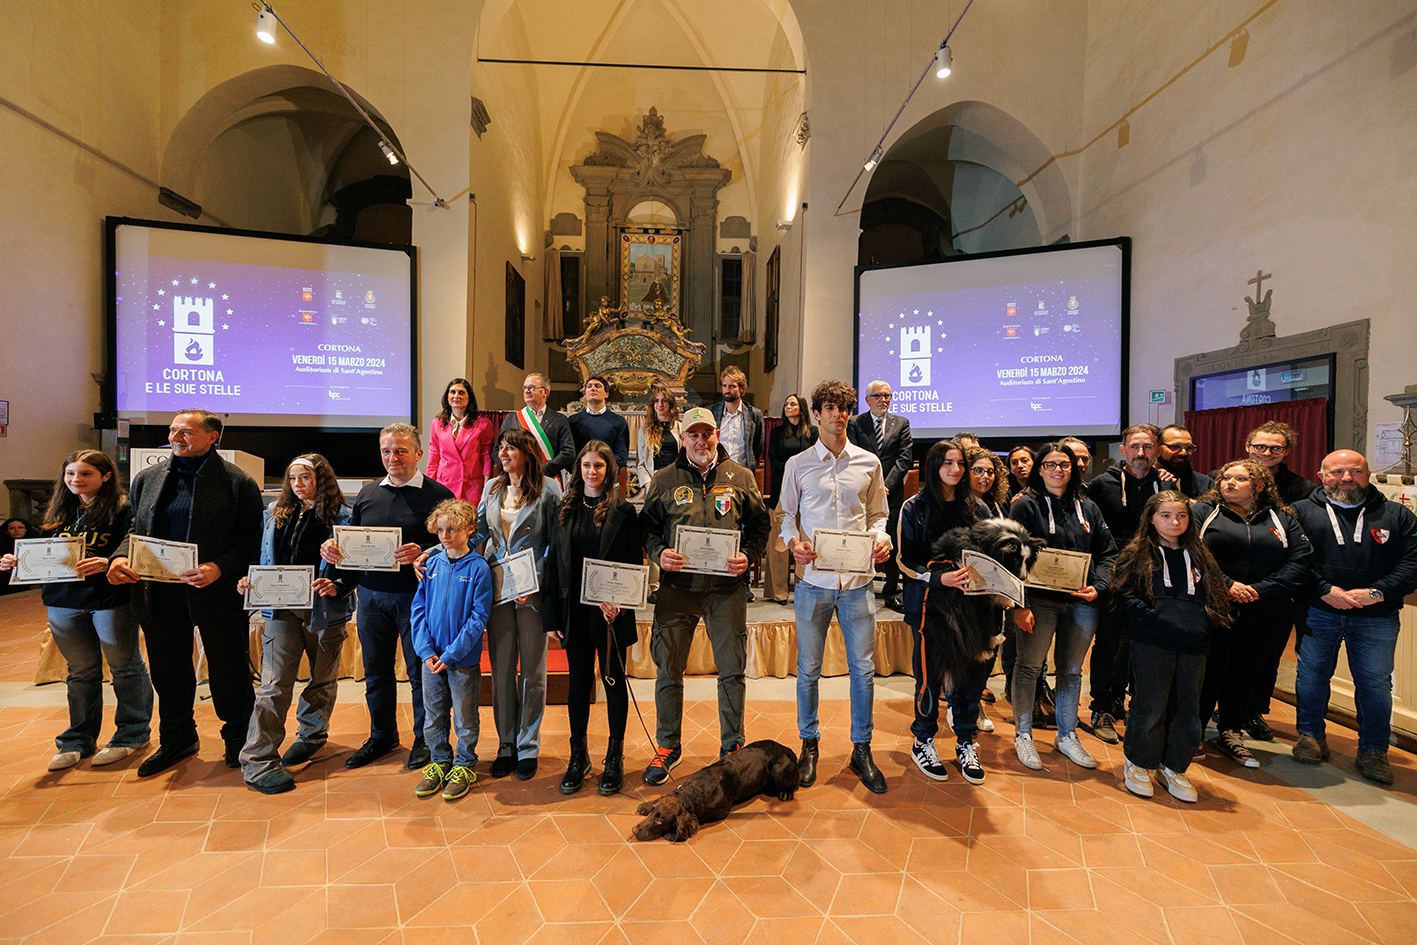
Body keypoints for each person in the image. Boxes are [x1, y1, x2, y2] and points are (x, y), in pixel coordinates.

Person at [108, 409, 263, 776]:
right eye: (174, 430)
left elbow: (252, 540)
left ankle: (239, 740)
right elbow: (135, 531)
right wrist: (118, 559)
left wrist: (220, 567)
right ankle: (177, 739)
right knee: (168, 671)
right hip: (158, 592)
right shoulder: (147, 479)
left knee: (229, 671)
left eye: (187, 432)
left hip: (216, 592)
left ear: (213, 437)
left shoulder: (237, 482)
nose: (177, 437)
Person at [639, 406, 770, 784]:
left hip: (726, 590)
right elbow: (646, 527)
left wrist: (750, 555)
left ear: (717, 436)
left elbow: (761, 523)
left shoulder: (740, 476)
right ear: (683, 439)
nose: (701, 441)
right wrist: (658, 553)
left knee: (731, 670)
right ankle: (668, 746)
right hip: (678, 590)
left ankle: (732, 746)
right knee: (669, 670)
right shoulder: (665, 479)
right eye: (693, 435)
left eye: (707, 434)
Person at [1, 450, 152, 770]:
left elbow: (136, 542)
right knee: (81, 672)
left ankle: (132, 733)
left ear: (106, 476)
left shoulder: (124, 508)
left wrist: (109, 560)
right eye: (70, 474)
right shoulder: (58, 508)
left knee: (125, 667)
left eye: (85, 474)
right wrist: (15, 561)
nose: (76, 480)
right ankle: (78, 739)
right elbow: (39, 551)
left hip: (110, 599)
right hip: (62, 601)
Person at [780, 380, 893, 793]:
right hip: (814, 582)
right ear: (817, 414)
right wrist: (794, 542)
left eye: (843, 408)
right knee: (808, 670)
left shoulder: (868, 462)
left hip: (858, 582)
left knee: (862, 671)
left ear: (849, 413)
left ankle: (861, 748)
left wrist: (882, 541)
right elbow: (786, 517)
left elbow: (879, 513)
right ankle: (808, 744)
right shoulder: (798, 465)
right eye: (829, 408)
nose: (837, 415)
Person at [321, 423, 454, 771]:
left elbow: (454, 546)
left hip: (417, 600)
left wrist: (425, 549)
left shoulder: (438, 495)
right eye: (386, 451)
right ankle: (382, 735)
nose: (392, 458)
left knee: (419, 672)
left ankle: (427, 739)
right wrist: (334, 557)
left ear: (418, 454)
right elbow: (352, 547)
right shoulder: (367, 494)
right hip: (371, 600)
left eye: (400, 451)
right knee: (376, 672)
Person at [1291, 449, 1417, 785]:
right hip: (1319, 610)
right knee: (1312, 676)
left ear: (1369, 473)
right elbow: (1293, 562)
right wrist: (1323, 590)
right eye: (1336, 471)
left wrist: (1376, 593)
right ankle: (1310, 736)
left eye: (1355, 471)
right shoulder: (1299, 513)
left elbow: (1413, 564)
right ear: (1321, 475)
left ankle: (1374, 750)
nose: (1346, 478)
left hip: (1377, 615)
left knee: (1375, 684)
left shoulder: (1398, 515)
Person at [237, 454, 356, 794]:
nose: (298, 484)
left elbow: (356, 566)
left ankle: (313, 735)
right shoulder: (274, 515)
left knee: (322, 680)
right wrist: (249, 580)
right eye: (292, 478)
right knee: (274, 686)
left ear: (322, 479)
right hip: (281, 610)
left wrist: (340, 584)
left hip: (324, 610)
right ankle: (258, 760)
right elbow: (261, 557)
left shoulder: (344, 518)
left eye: (305, 477)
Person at [1111, 491, 1232, 803]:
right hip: (1153, 640)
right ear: (1151, 518)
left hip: (1194, 642)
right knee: (1151, 703)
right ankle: (1140, 762)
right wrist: (1150, 615)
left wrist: (1206, 622)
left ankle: (1174, 766)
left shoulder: (1201, 555)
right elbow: (1122, 593)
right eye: (1166, 515)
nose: (1174, 521)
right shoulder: (1137, 553)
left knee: (1188, 707)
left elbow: (1216, 594)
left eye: (1181, 515)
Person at [1192, 460, 1311, 768]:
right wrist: (1228, 585)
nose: (1228, 483)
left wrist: (1260, 589)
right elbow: (1192, 553)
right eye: (1225, 478)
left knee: (1246, 673)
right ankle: (1192, 732)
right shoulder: (1203, 514)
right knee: (1209, 673)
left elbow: (1299, 561)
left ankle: (1231, 732)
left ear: (1259, 486)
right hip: (1214, 608)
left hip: (1266, 610)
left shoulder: (1283, 518)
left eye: (1239, 479)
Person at [1008, 442, 1118, 771]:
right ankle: (1023, 734)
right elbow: (1013, 557)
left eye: (1065, 465)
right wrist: (1020, 603)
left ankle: (1066, 734)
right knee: (1028, 667)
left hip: (1081, 604)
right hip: (1038, 603)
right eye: (1051, 465)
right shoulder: (1025, 506)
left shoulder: (1089, 508)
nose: (1058, 470)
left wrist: (1098, 587)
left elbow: (1108, 552)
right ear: (1040, 469)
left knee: (1071, 671)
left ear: (1074, 469)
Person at [545, 441, 642, 796]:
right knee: (578, 685)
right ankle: (578, 756)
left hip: (611, 613)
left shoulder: (624, 512)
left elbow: (634, 564)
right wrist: (551, 613)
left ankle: (614, 757)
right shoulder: (564, 510)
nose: (591, 471)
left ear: (609, 470)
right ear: (578, 469)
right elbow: (554, 564)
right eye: (586, 465)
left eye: (598, 465)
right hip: (575, 611)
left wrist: (621, 601)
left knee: (613, 683)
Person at [474, 428, 562, 780]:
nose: (504, 453)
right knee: (501, 670)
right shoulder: (491, 489)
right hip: (497, 589)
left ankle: (528, 746)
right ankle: (505, 745)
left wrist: (536, 579)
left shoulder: (550, 490)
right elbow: (479, 533)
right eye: (501, 448)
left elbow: (555, 541)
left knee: (533, 673)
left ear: (528, 453)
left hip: (531, 590)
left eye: (511, 447)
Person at [897, 440, 986, 784]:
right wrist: (938, 578)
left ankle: (966, 741)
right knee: (929, 678)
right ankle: (923, 740)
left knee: (969, 680)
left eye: (961, 463)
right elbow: (904, 561)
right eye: (947, 463)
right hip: (928, 608)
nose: (955, 469)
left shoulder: (978, 507)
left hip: (971, 609)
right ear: (934, 467)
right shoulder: (914, 507)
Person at [1085, 423, 1168, 741]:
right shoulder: (1101, 485)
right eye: (1135, 447)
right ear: (1123, 450)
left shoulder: (1167, 485)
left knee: (1144, 644)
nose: (1141, 453)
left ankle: (1138, 705)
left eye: (1148, 447)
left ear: (1157, 451)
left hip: (1154, 579)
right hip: (1112, 578)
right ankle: (1102, 707)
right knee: (1107, 644)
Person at [411, 499, 494, 801]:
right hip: (430, 657)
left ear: (470, 529)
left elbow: (478, 617)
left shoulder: (479, 569)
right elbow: (418, 608)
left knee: (464, 716)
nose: (445, 535)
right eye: (441, 529)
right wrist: (425, 650)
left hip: (461, 660)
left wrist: (451, 654)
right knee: (432, 716)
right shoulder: (431, 565)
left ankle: (464, 764)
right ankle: (439, 761)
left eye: (453, 529)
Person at [847, 380, 913, 611]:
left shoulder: (901, 423)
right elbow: (853, 455)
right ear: (867, 400)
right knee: (860, 540)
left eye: (887, 395)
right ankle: (856, 587)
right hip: (862, 493)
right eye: (878, 396)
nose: (883, 399)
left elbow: (904, 459)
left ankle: (892, 592)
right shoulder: (855, 423)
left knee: (890, 543)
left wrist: (885, 485)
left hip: (891, 494)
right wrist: (872, 485)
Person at [964, 445, 1009, 725]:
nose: (985, 477)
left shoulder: (997, 506)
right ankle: (968, 706)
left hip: (995, 591)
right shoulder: (960, 505)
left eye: (990, 472)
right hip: (969, 591)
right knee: (970, 651)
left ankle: (976, 698)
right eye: (978, 470)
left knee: (989, 649)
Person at [765, 393, 817, 604]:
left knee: (803, 540)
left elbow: (814, 459)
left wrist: (798, 476)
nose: (788, 407)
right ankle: (778, 592)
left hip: (806, 492)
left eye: (792, 404)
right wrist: (789, 473)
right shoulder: (777, 432)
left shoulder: (812, 432)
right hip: (780, 489)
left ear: (802, 408)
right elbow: (772, 458)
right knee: (779, 543)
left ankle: (805, 587)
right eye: (786, 404)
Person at [637, 383, 680, 601]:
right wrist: (647, 485)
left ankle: (673, 579)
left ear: (671, 405)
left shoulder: (680, 429)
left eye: (664, 401)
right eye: (656, 401)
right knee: (654, 534)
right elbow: (641, 464)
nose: (660, 405)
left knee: (674, 532)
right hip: (654, 488)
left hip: (677, 488)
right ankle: (654, 586)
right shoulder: (645, 430)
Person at [1213, 421, 1319, 506]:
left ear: (1286, 451)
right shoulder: (1217, 478)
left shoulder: (1305, 488)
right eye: (1260, 447)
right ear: (1247, 447)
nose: (1267, 453)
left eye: (1276, 448)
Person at [427, 377, 497, 505]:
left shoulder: (483, 424)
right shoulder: (437, 424)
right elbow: (434, 456)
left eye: (461, 392)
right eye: (452, 392)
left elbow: (487, 456)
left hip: (472, 486)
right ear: (447, 397)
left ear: (469, 398)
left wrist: (487, 484)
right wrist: (429, 486)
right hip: (444, 485)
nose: (456, 396)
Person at [502, 373, 576, 481]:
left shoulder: (559, 420)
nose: (526, 391)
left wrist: (542, 470)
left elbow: (568, 452)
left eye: (531, 387)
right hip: (518, 479)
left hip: (549, 479)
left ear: (545, 392)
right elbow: (497, 450)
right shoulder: (511, 419)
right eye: (524, 388)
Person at [710, 366, 766, 471]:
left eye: (732, 386)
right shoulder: (712, 412)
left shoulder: (754, 414)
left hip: (742, 471)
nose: (727, 390)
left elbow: (757, 447)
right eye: (724, 386)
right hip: (717, 471)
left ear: (742, 388)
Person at [567, 375, 629, 467]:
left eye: (597, 386)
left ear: (606, 394)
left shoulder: (619, 421)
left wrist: (600, 467)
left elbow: (621, 457)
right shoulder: (572, 421)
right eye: (589, 386)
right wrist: (585, 469)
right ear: (585, 394)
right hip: (580, 476)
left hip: (608, 476)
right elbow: (569, 455)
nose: (593, 389)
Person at [1157, 425, 1214, 497]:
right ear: (1158, 449)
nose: (1183, 453)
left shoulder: (1206, 484)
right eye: (1175, 447)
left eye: (1188, 447)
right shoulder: (1144, 479)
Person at [1, 518, 35, 595]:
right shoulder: (2, 546)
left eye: (20, 527)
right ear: (6, 531)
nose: (17, 530)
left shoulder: (34, 545)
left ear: (26, 529)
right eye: (12, 528)